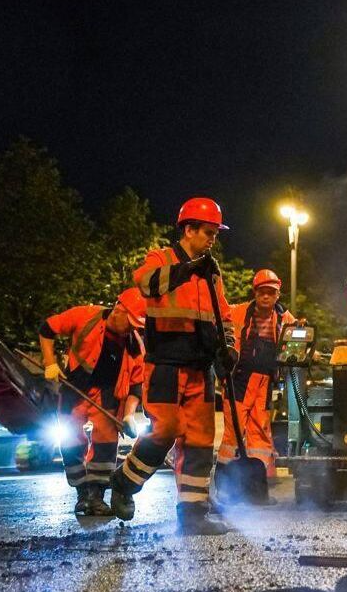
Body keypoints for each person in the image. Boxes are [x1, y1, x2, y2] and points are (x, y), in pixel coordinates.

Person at [110, 197, 237, 535]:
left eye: (215, 233)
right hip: (165, 363)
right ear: (188, 229)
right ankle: (124, 482)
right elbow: (147, 283)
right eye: (207, 232)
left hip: (201, 367)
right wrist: (187, 270)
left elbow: (223, 314)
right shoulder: (162, 258)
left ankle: (194, 514)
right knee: (164, 430)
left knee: (200, 440)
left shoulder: (212, 271)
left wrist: (229, 349)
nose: (212, 239)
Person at [39, 288, 146, 515]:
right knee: (70, 439)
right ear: (118, 309)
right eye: (131, 322)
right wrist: (50, 362)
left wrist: (128, 414)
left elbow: (137, 384)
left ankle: (96, 496)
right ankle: (81, 493)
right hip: (75, 389)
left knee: (106, 443)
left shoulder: (135, 344)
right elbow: (47, 328)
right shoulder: (84, 316)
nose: (132, 328)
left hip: (107, 395)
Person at [216, 268, 297, 504]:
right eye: (262, 292)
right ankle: (224, 489)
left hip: (263, 384)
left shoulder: (285, 320)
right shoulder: (238, 312)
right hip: (238, 381)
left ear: (277, 295)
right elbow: (220, 333)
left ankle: (257, 492)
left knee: (260, 437)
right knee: (232, 438)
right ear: (255, 292)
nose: (265, 297)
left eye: (270, 293)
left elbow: (297, 340)